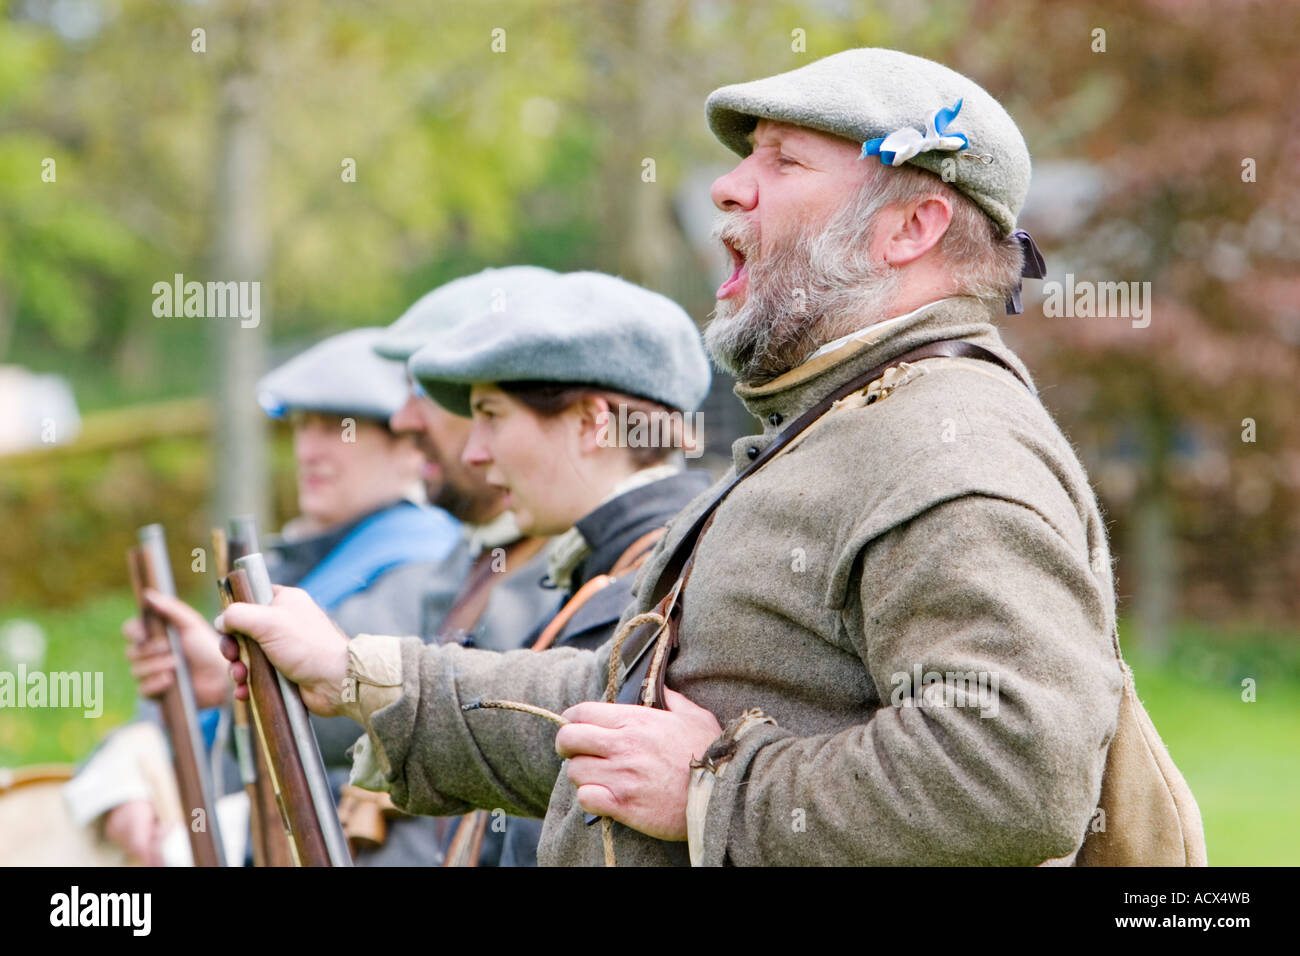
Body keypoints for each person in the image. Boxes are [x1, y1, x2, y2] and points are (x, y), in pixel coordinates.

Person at [217, 49, 1205, 865]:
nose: (730, 184)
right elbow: (621, 712)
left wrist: (713, 784)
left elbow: (1011, 770)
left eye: (781, 161)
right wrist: (360, 677)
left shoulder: (950, 440)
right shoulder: (848, 423)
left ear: (912, 226)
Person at [67, 327, 462, 866]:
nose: (309, 449)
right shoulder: (282, 561)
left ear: (410, 448)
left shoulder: (431, 567)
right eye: (303, 425)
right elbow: (185, 703)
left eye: (337, 428)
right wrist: (126, 780)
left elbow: (368, 732)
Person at [402, 269, 713, 864]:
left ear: (592, 422)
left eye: (491, 414)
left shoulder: (651, 585)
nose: (474, 451)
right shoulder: (612, 569)